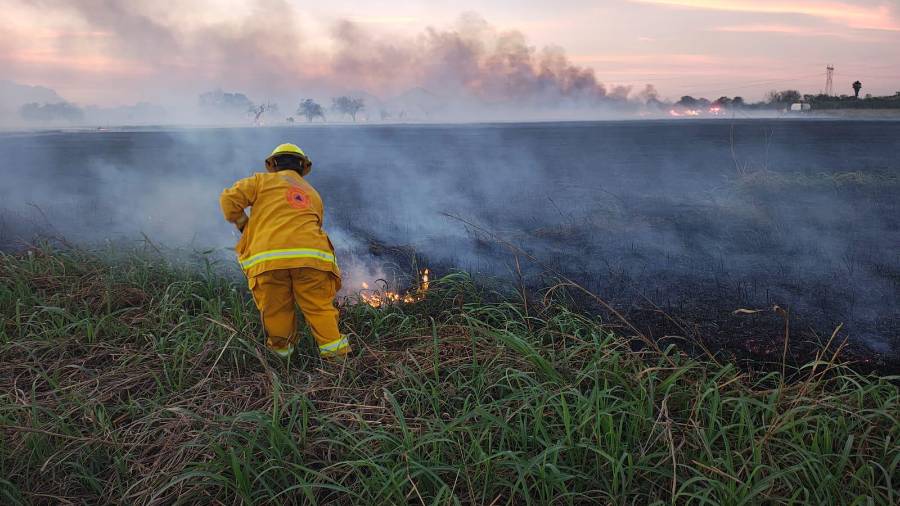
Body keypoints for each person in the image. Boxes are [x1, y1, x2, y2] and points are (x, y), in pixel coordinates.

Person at [220, 143, 349, 359]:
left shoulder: (260, 181)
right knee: (319, 309)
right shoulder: (312, 193)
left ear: (273, 164)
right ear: (303, 166)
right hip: (312, 260)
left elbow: (229, 200)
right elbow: (315, 224)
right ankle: (339, 362)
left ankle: (283, 362)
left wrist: (244, 224)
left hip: (268, 261)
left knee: (276, 311)